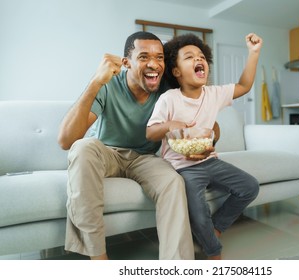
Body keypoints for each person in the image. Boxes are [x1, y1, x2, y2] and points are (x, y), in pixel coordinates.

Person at [57, 31, 196, 260]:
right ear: (126, 63)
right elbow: (65, 140)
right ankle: (98, 258)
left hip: (145, 158)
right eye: (143, 57)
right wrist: (95, 82)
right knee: (82, 148)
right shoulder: (109, 84)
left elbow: (201, 122)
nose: (154, 64)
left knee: (172, 181)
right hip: (108, 152)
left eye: (159, 57)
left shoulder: (167, 89)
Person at [146, 33, 263, 259]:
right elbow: (150, 132)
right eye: (189, 57)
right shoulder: (169, 99)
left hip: (210, 160)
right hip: (182, 168)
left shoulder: (214, 94)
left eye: (201, 56)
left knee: (250, 186)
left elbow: (245, 85)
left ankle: (215, 229)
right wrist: (171, 125)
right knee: (198, 211)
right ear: (176, 71)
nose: (198, 59)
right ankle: (213, 252)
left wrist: (253, 53)